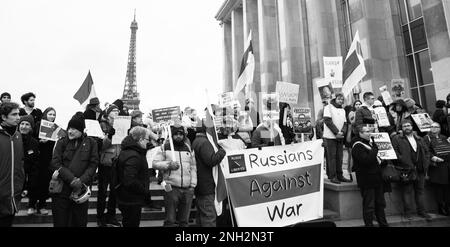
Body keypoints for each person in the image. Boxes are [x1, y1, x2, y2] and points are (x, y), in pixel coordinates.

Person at [50, 114, 98, 227]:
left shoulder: (91, 143)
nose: (70, 131)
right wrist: (72, 179)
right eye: (69, 128)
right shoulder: (61, 142)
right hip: (62, 189)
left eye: (74, 129)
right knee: (61, 221)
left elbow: (93, 164)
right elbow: (55, 163)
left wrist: (80, 181)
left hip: (80, 190)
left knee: (79, 221)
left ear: (81, 130)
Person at [152, 124, 197, 227]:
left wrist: (192, 185)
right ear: (172, 135)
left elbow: (193, 166)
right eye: (176, 134)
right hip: (171, 188)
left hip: (187, 188)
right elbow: (154, 163)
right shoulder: (165, 147)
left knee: (184, 221)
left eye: (181, 134)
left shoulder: (188, 148)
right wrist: (168, 165)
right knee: (170, 220)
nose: (178, 136)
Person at [391, 119, 432, 221]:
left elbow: (427, 152)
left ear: (412, 127)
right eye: (404, 126)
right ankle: (408, 213)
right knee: (407, 192)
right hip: (406, 169)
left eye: (408, 125)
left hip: (420, 169)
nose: (407, 128)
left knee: (420, 191)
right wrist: (401, 160)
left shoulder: (419, 138)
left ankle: (422, 212)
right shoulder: (396, 138)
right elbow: (394, 152)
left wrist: (425, 163)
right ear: (402, 128)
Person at [351, 125, 389, 227]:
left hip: (377, 179)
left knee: (380, 204)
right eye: (367, 131)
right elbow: (366, 160)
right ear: (360, 133)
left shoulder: (369, 144)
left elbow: (375, 161)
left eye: (370, 131)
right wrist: (375, 149)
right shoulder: (357, 146)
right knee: (369, 206)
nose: (369, 133)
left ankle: (383, 224)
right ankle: (369, 224)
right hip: (367, 181)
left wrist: (385, 159)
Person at [192, 119, 227, 227]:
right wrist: (222, 151)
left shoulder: (196, 141)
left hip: (201, 185)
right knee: (209, 217)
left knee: (201, 217)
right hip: (207, 186)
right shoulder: (204, 142)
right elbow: (211, 160)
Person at [116, 126, 153, 227]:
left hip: (128, 198)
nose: (148, 142)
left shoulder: (129, 151)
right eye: (146, 139)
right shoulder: (134, 155)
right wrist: (144, 190)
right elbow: (129, 180)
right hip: (131, 199)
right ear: (140, 139)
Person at [0, 102, 24, 227]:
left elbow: (20, 163)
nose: (18, 117)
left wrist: (21, 185)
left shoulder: (18, 136)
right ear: (4, 117)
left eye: (18, 114)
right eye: (14, 114)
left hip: (13, 195)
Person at [97, 104, 122, 227]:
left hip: (117, 162)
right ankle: (100, 217)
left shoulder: (122, 124)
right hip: (105, 162)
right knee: (102, 191)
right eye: (114, 110)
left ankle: (111, 215)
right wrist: (110, 135)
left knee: (114, 191)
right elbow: (101, 145)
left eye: (118, 110)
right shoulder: (102, 125)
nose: (117, 112)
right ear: (108, 113)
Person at [35, 107, 58, 215]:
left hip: (48, 160)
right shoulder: (38, 125)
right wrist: (40, 142)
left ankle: (42, 205)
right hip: (37, 159)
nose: (52, 116)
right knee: (35, 182)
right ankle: (32, 204)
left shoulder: (55, 128)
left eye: (54, 115)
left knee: (45, 183)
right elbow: (32, 141)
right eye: (50, 114)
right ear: (45, 115)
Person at [323, 93, 351, 184]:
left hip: (340, 136)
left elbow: (345, 123)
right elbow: (328, 121)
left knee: (340, 157)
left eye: (342, 99)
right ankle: (332, 176)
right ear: (335, 99)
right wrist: (336, 132)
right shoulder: (328, 107)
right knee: (332, 157)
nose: (341, 101)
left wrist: (342, 132)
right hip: (330, 137)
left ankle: (340, 175)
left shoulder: (343, 110)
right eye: (339, 99)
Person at [423, 122, 450, 216]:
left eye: (436, 127)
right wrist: (433, 157)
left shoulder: (444, 137)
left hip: (447, 164)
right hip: (436, 165)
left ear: (439, 128)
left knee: (447, 187)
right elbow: (425, 151)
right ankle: (441, 207)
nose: (434, 128)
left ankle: (447, 206)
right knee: (439, 187)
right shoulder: (426, 138)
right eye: (432, 127)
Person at [18, 116, 41, 216]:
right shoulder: (14, 139)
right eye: (22, 124)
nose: (24, 126)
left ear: (31, 127)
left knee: (34, 183)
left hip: (30, 170)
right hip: (16, 172)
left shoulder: (34, 142)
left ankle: (31, 205)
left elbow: (35, 161)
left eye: (27, 124)